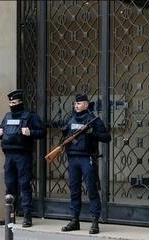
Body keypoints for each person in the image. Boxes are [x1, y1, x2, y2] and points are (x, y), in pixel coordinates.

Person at [61, 94, 111, 234]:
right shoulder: (71, 118)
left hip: (87, 158)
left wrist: (93, 133)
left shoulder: (93, 120)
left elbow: (107, 137)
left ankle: (95, 222)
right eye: (75, 103)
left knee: (92, 190)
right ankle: (74, 220)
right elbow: (65, 135)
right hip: (73, 158)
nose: (76, 105)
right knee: (74, 190)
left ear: (86, 105)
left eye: (79, 103)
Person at [0, 89, 45, 228]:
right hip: (9, 155)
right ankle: (9, 216)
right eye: (10, 102)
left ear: (21, 102)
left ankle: (27, 216)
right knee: (10, 186)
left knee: (24, 185)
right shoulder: (7, 116)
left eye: (14, 102)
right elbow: (1, 129)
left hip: (23, 155)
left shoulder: (30, 116)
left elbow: (42, 131)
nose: (12, 104)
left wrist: (31, 133)